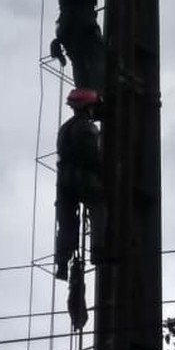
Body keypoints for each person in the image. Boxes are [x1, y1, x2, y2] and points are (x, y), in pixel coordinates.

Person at [54, 87, 105, 282]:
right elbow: (91, 156)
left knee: (67, 221)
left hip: (64, 181)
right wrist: (104, 173)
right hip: (82, 178)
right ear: (88, 107)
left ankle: (62, 263)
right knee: (98, 205)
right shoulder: (86, 128)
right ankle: (98, 249)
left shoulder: (65, 128)